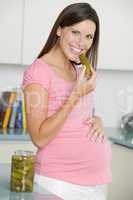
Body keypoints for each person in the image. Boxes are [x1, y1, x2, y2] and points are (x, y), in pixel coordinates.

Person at [22, 2, 112, 200]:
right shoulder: (39, 72)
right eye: (75, 32)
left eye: (89, 36)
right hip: (59, 184)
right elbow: (39, 138)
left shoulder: (79, 70)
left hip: (95, 184)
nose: (82, 42)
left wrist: (97, 119)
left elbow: (75, 119)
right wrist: (75, 95)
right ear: (59, 30)